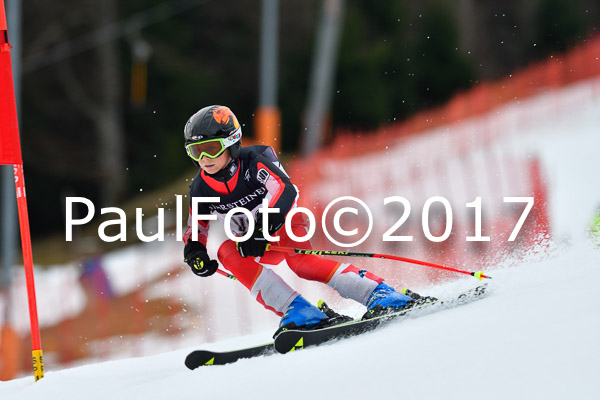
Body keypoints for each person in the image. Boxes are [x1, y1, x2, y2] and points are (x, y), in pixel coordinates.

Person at [182, 105, 429, 333]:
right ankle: (298, 309)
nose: (204, 159)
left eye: (211, 148)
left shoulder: (254, 162)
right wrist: (195, 252)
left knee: (302, 265)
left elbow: (285, 190)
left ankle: (379, 293)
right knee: (227, 251)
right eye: (196, 151)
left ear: (231, 142)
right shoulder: (200, 188)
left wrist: (262, 228)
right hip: (253, 242)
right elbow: (197, 226)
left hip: (286, 225)